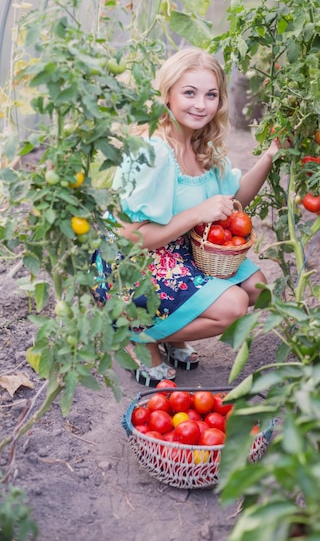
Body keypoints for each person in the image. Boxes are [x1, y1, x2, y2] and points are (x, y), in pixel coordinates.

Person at [93, 48, 280, 387]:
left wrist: (270, 155)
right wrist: (197, 213)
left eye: (211, 95)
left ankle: (170, 332)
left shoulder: (202, 143)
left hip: (179, 249)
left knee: (258, 287)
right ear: (167, 94)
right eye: (189, 93)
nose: (201, 105)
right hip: (131, 264)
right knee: (234, 305)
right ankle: (137, 334)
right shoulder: (154, 152)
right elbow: (128, 237)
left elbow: (234, 200)